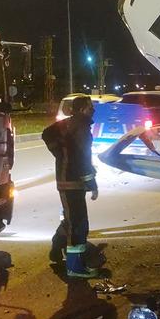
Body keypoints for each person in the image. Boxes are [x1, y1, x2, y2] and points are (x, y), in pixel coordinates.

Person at [42, 95, 100, 278]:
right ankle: (74, 267)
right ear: (82, 109)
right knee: (78, 224)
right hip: (73, 182)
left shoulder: (68, 124)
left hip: (67, 180)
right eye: (90, 107)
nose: (93, 110)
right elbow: (82, 158)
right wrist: (92, 183)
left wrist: (61, 155)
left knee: (72, 218)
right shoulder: (81, 128)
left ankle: (57, 245)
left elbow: (46, 134)